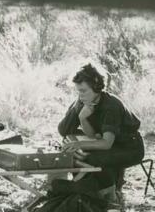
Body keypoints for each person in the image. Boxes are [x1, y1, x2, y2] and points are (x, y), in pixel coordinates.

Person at [58, 63, 145, 204]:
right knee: (78, 153)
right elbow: (77, 132)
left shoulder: (111, 105)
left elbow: (106, 143)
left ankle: (110, 196)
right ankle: (87, 193)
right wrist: (82, 117)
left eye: (84, 91)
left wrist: (78, 143)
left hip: (129, 147)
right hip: (111, 144)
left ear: (96, 87)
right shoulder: (87, 101)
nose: (80, 96)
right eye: (78, 91)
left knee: (92, 158)